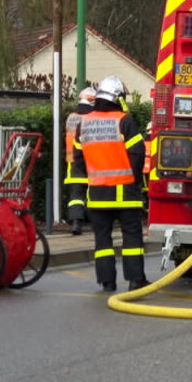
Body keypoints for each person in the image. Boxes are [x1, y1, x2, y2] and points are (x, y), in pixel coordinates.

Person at [72, 75, 149, 292]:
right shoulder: (124, 120)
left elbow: (78, 159)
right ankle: (135, 280)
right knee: (131, 237)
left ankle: (107, 282)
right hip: (125, 193)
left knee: (102, 240)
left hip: (97, 194)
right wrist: (133, 180)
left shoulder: (83, 123)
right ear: (117, 98)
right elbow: (137, 153)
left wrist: (93, 176)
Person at [63, 87, 97, 236]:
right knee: (93, 193)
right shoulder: (94, 117)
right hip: (92, 161)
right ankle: (95, 222)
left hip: (73, 162)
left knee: (76, 195)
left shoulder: (71, 117)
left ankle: (76, 223)